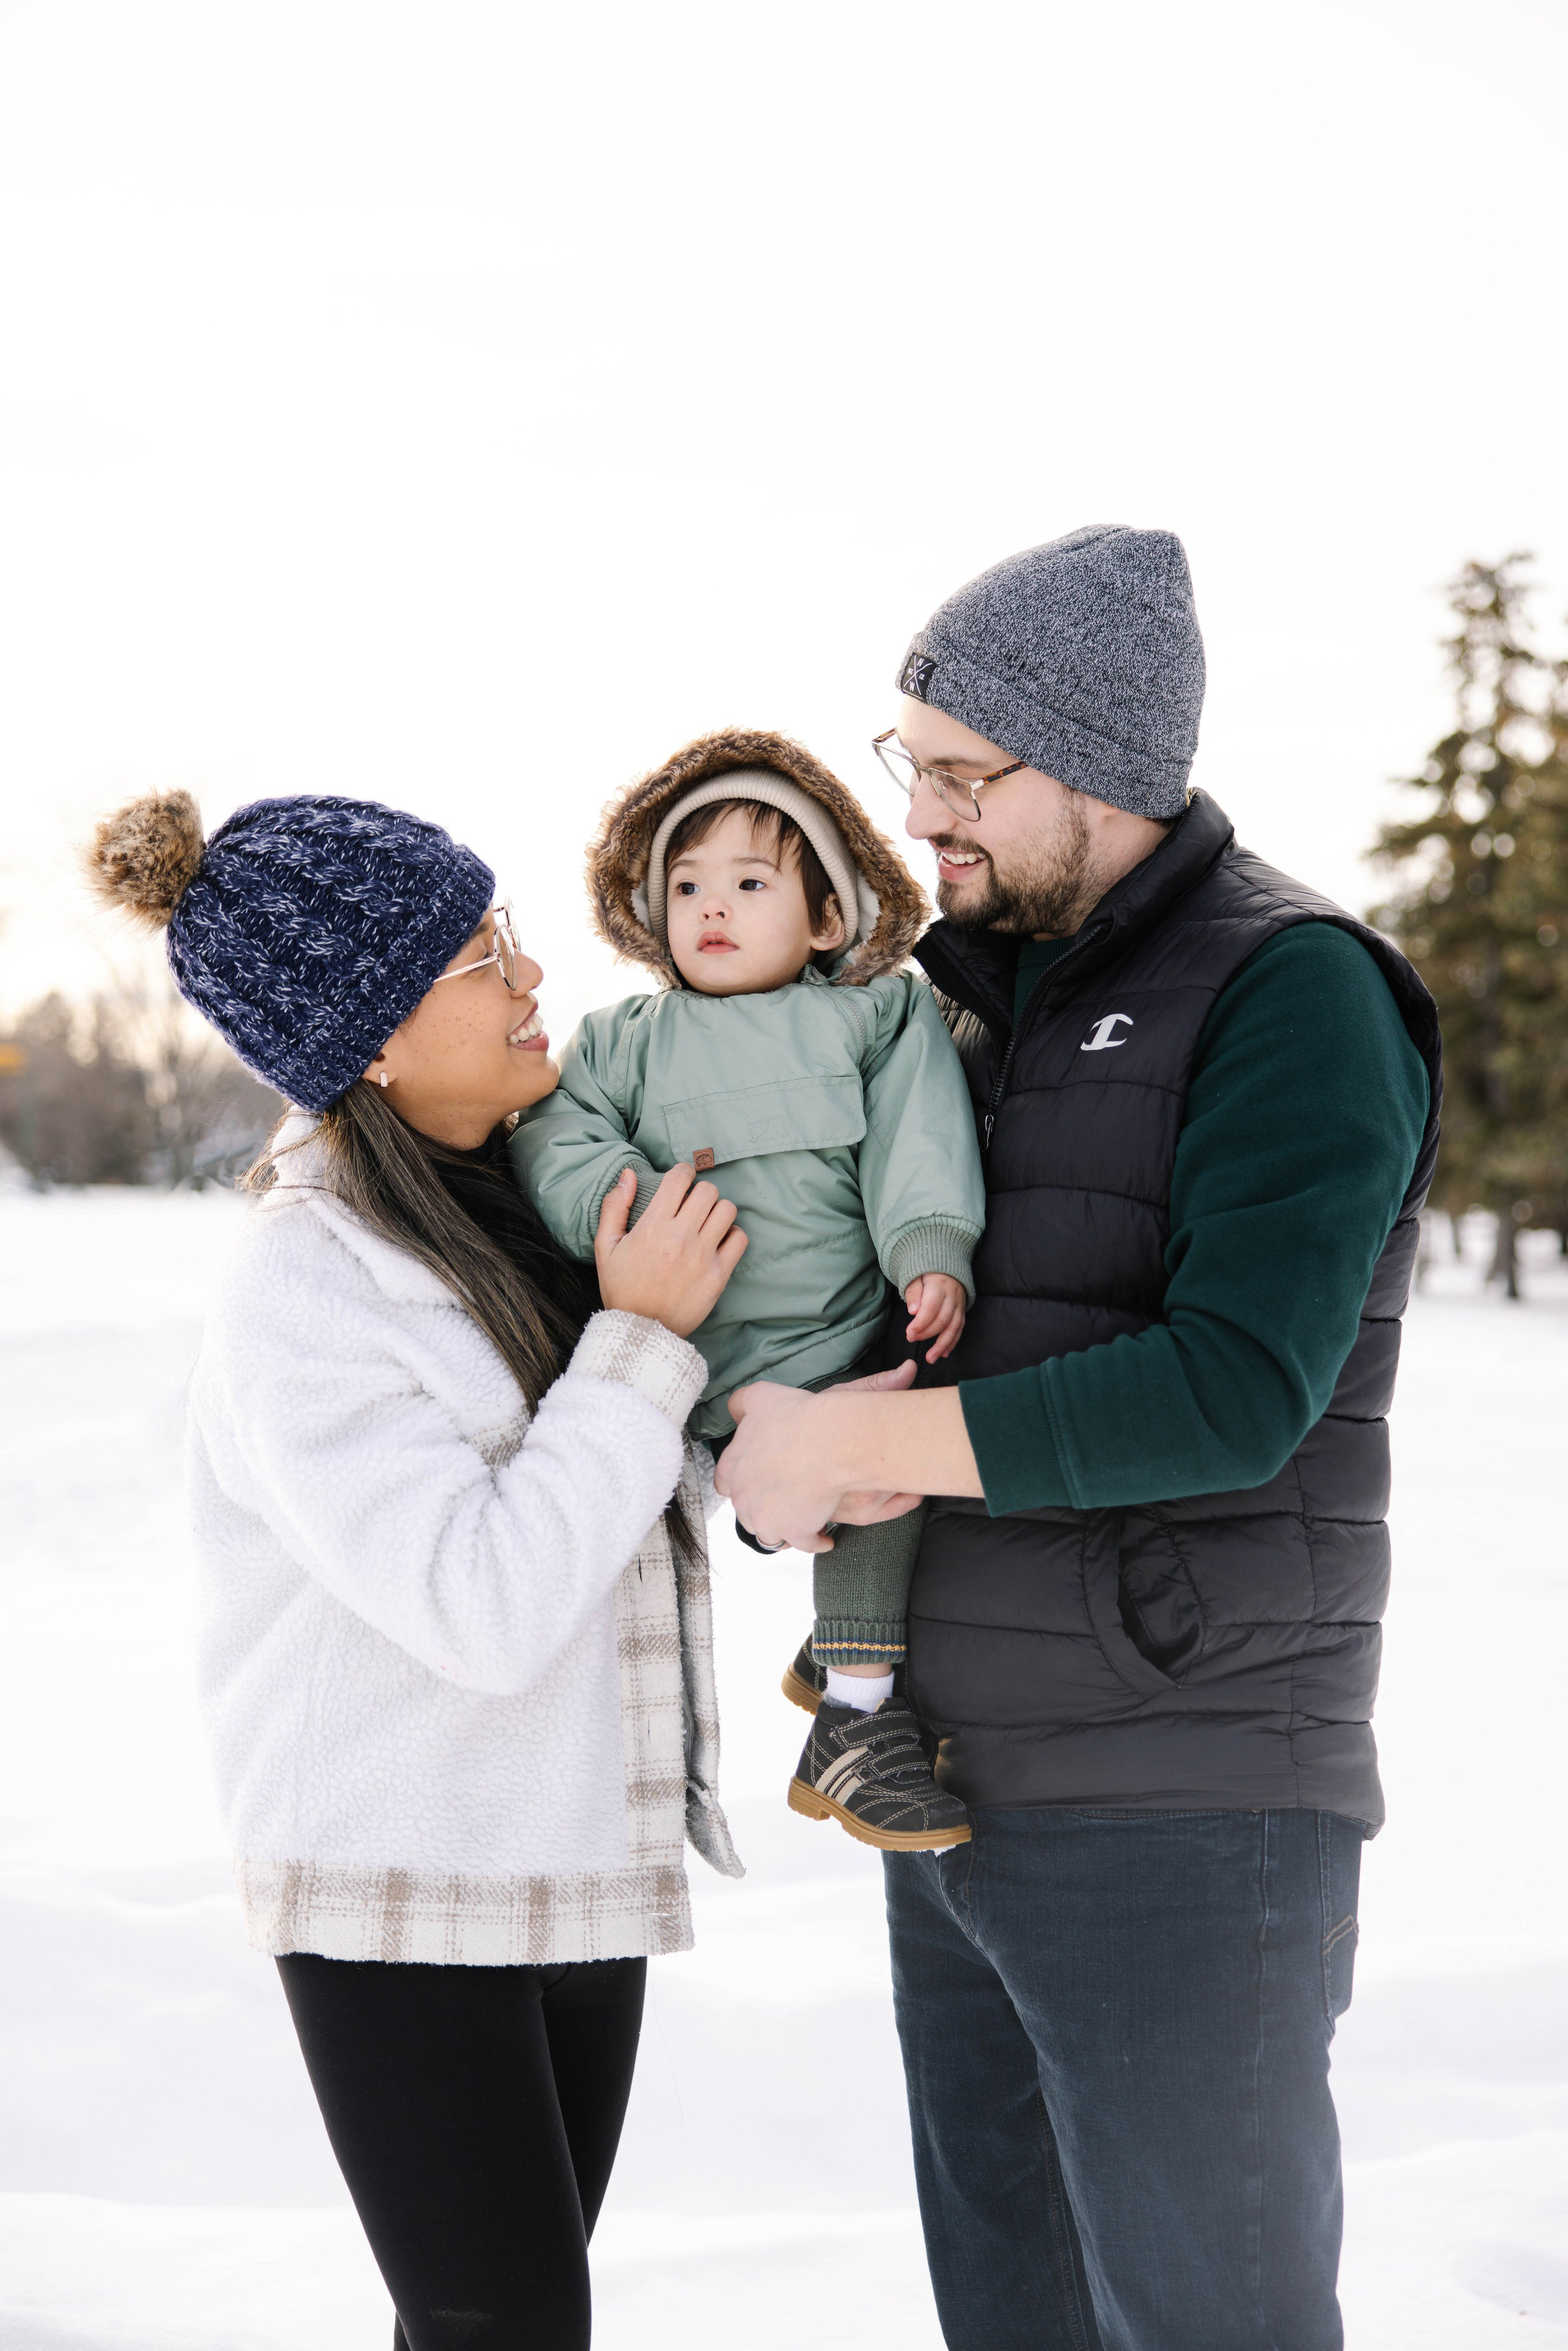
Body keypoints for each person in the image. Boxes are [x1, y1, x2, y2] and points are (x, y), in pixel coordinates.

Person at [714, 526, 1444, 2351]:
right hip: (950, 1787)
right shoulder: (961, 1005)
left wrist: (883, 1443)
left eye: (964, 774)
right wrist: (786, 1441)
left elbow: (1235, 1384)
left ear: (1102, 766)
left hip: (1183, 1800)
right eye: (911, 765)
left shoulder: (1295, 987)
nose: (920, 816)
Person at [83, 785, 750, 2351]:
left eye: (507, 933)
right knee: (508, 2329)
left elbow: (615, 1488)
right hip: (399, 1896)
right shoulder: (305, 1284)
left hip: (570, 1864)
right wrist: (638, 1339)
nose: (530, 975)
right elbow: (483, 1601)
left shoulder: (524, 1207)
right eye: (479, 955)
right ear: (371, 1035)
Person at [514, 729, 985, 1850]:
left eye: (750, 883)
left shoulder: (878, 1015)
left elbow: (920, 1134)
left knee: (894, 1453)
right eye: (686, 886)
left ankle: (851, 1690)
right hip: (697, 1357)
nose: (711, 906)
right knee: (875, 1476)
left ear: (826, 918)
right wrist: (632, 1207)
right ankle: (859, 1703)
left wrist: (930, 1244)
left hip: (836, 1342)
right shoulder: (625, 1040)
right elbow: (553, 1138)